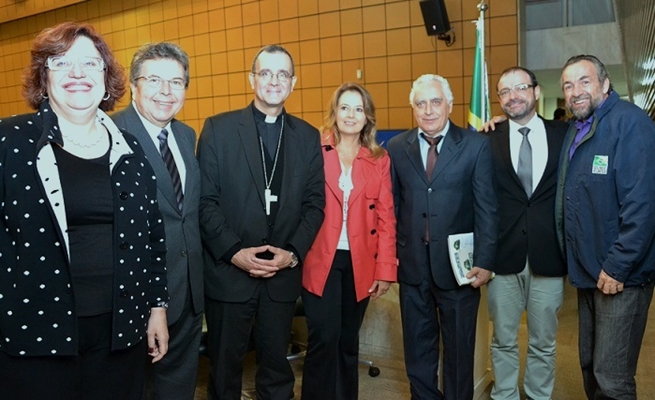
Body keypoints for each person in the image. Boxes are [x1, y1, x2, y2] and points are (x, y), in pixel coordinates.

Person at [0, 22, 168, 399]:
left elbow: (153, 238)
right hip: (35, 330)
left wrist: (157, 309)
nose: (77, 73)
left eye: (91, 64)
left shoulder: (130, 148)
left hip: (120, 333)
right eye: (61, 63)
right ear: (43, 78)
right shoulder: (9, 141)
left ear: (106, 77)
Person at [197, 44, 325, 400]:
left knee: (277, 372)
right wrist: (234, 252)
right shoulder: (218, 130)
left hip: (281, 278)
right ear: (251, 78)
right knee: (224, 371)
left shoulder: (307, 135)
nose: (274, 81)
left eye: (282, 74)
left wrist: (293, 253)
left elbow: (315, 205)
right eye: (266, 73)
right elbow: (204, 202)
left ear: (293, 83)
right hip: (228, 275)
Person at [387, 74, 498, 400]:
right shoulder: (396, 147)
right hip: (412, 269)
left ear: (449, 104)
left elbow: (487, 208)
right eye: (420, 103)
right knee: (417, 351)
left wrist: (485, 261)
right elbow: (392, 205)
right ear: (413, 108)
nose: (428, 110)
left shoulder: (475, 145)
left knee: (460, 353)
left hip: (459, 270)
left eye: (436, 102)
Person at [555, 54, 655, 399]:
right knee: (590, 366)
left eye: (584, 81)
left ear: (605, 83)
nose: (575, 91)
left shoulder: (631, 124)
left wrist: (617, 265)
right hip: (589, 272)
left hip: (620, 277)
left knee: (612, 378)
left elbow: (643, 205)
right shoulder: (577, 128)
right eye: (568, 85)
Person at [112, 42, 203, 400]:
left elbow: (186, 214)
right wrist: (153, 303)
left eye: (176, 82)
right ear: (134, 85)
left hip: (189, 292)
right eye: (154, 80)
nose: (166, 92)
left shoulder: (185, 135)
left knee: (178, 386)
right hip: (135, 296)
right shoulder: (110, 134)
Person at [301, 82, 397, 400]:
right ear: (334, 112)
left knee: (346, 340)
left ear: (367, 116)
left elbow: (386, 218)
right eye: (344, 107)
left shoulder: (379, 159)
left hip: (360, 262)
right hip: (320, 259)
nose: (351, 114)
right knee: (324, 337)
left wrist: (386, 269)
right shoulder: (313, 149)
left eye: (358, 108)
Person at [486, 67, 568, 400]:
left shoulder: (565, 134)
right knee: (503, 339)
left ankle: (538, 396)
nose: (513, 95)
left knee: (543, 343)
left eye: (520, 87)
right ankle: (504, 395)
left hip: (549, 255)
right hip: (502, 257)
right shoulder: (486, 137)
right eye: (505, 91)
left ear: (535, 91)